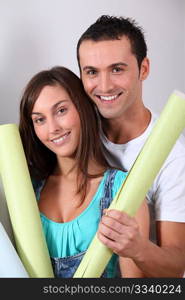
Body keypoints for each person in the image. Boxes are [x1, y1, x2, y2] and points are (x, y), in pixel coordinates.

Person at [76, 15, 185, 277]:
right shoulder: (75, 133)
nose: (104, 86)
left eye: (117, 69)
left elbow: (178, 263)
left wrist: (138, 248)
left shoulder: (173, 155)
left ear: (143, 69)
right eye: (92, 72)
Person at [18, 66, 149, 278]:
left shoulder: (122, 190)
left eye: (61, 111)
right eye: (39, 119)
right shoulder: (27, 190)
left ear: (82, 107)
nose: (53, 128)